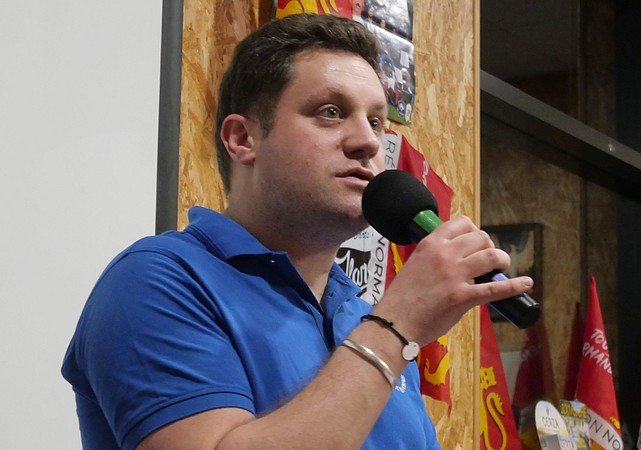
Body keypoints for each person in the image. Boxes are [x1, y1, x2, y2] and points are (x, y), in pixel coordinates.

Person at [62, 13, 532, 450]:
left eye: (375, 121)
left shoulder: (361, 317)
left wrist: (389, 328)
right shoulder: (156, 281)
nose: (368, 142)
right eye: (330, 112)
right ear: (243, 139)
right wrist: (398, 324)